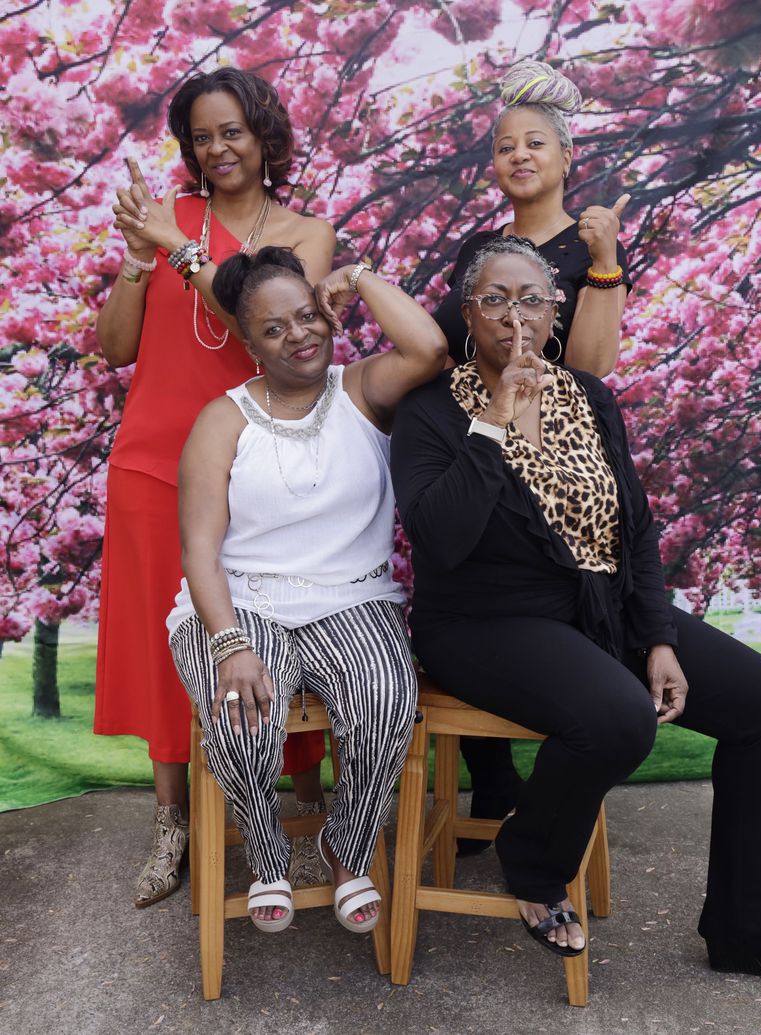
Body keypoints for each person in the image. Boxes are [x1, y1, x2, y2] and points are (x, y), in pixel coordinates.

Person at [390, 236, 761, 983]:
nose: (516, 315)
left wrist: (659, 636)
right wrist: (497, 420)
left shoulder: (589, 395)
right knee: (618, 717)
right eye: (496, 299)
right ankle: (534, 860)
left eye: (533, 299)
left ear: (556, 312)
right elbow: (440, 539)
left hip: (599, 610)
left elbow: (634, 528)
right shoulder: (431, 413)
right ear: (466, 311)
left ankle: (747, 925)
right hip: (484, 622)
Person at [94, 67, 336, 908]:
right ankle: (172, 822)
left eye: (231, 130)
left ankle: (304, 811)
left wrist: (181, 247)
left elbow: (268, 324)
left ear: (265, 133)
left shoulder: (307, 231)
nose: (216, 148)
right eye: (201, 135)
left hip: (260, 462)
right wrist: (136, 257)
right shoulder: (166, 218)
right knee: (167, 653)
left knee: (279, 627)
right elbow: (114, 348)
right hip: (151, 461)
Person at [168, 245, 447, 932]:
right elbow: (199, 547)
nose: (300, 335)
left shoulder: (362, 391)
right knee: (239, 712)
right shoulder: (222, 419)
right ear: (248, 341)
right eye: (274, 327)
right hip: (245, 600)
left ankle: (345, 847)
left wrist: (353, 278)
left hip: (353, 597)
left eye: (307, 315)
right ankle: (269, 853)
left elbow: (431, 346)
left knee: (388, 699)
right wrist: (230, 642)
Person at [432, 59, 632, 850]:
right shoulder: (481, 253)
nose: (520, 155)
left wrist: (607, 259)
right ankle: (496, 781)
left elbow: (590, 368)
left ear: (565, 156)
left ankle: (556, 794)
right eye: (507, 145)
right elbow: (445, 351)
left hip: (562, 440)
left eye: (536, 143)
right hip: (478, 434)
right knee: (468, 584)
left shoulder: (589, 243)